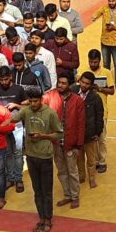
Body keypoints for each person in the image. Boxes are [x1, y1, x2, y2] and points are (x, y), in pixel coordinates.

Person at [4, 88, 63, 232]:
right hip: (31, 156)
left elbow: (59, 134)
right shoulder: (26, 110)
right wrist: (2, 122)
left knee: (46, 191)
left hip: (45, 157)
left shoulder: (50, 113)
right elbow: (13, 118)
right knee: (37, 190)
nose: (32, 103)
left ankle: (48, 218)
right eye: (30, 101)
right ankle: (41, 217)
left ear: (41, 100)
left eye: (35, 101)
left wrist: (43, 136)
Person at [44, 74, 85, 209]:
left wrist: (79, 145)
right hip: (56, 143)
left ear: (69, 85)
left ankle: (75, 196)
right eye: (59, 82)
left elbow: (81, 123)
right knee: (61, 170)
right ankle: (67, 195)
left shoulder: (77, 101)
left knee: (72, 171)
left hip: (71, 143)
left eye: (63, 83)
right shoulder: (51, 96)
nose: (60, 85)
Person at [0, 66, 29, 192]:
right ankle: (10, 178)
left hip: (17, 126)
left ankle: (19, 179)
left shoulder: (18, 89)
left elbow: (27, 107)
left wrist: (16, 105)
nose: (4, 82)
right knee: (8, 153)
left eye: (6, 79)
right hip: (3, 127)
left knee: (18, 153)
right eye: (1, 79)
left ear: (10, 77)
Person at [82, 49, 115, 173]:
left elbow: (111, 91)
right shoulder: (83, 72)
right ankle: (93, 160)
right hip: (86, 110)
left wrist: (99, 89)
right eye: (91, 62)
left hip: (102, 110)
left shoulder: (106, 72)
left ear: (100, 61)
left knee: (101, 137)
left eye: (95, 62)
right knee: (90, 138)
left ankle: (102, 161)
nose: (93, 64)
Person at [73, 71, 104, 188]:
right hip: (76, 133)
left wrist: (98, 132)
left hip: (90, 133)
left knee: (91, 159)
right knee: (79, 158)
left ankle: (92, 179)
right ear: (79, 81)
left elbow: (99, 116)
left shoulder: (95, 98)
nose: (84, 85)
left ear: (91, 85)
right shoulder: (73, 91)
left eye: (87, 84)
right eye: (83, 82)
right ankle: (81, 177)